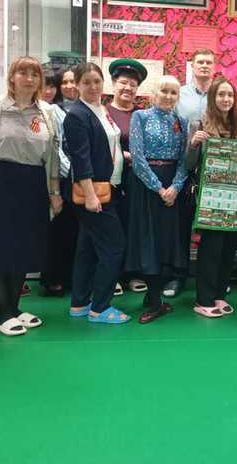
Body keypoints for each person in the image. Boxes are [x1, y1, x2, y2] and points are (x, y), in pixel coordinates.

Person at [0, 56, 62, 337]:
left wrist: (54, 191)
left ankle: (15, 308)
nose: (29, 79)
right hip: (0, 182)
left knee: (23, 249)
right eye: (23, 73)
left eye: (35, 74)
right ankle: (3, 313)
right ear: (12, 77)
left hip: (33, 184)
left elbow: (52, 157)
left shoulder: (47, 112)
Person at [64, 63, 130, 324]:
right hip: (95, 194)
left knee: (88, 248)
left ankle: (80, 303)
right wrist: (90, 195)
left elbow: (106, 145)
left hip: (109, 187)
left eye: (96, 81)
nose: (92, 87)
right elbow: (80, 159)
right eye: (86, 82)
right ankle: (100, 307)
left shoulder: (101, 109)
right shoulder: (77, 115)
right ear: (77, 85)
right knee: (114, 247)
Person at [126, 75, 189, 323]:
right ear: (154, 93)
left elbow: (185, 159)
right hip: (146, 186)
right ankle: (154, 301)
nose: (168, 96)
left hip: (173, 187)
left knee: (166, 242)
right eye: (164, 91)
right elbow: (137, 156)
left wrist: (175, 186)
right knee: (148, 241)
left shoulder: (182, 121)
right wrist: (159, 188)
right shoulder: (139, 117)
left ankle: (154, 297)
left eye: (174, 92)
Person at [186, 77, 237, 317]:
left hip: (235, 198)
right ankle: (203, 299)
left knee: (229, 248)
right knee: (211, 249)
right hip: (210, 198)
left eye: (230, 95)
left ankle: (219, 294)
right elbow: (188, 164)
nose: (226, 99)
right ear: (212, 98)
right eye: (221, 94)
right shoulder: (200, 124)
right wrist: (194, 144)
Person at [170, 49, 215, 297]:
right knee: (181, 225)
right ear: (193, 66)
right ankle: (178, 276)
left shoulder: (220, 94)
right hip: (184, 167)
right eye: (200, 62)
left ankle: (211, 278)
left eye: (209, 62)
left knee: (211, 226)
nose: (204, 66)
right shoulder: (180, 94)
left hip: (212, 170)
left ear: (214, 67)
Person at [106, 58, 149, 294]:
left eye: (133, 85)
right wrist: (122, 155)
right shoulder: (104, 112)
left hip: (135, 178)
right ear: (114, 84)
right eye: (123, 82)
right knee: (112, 227)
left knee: (134, 225)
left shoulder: (142, 115)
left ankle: (133, 273)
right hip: (110, 179)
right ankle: (112, 276)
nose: (128, 88)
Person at [39, 68, 77, 297]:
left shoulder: (72, 108)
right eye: (64, 82)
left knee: (70, 231)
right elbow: (53, 146)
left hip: (72, 178)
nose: (69, 86)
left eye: (52, 86)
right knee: (55, 232)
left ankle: (68, 277)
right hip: (56, 178)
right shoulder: (50, 110)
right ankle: (52, 278)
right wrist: (70, 171)